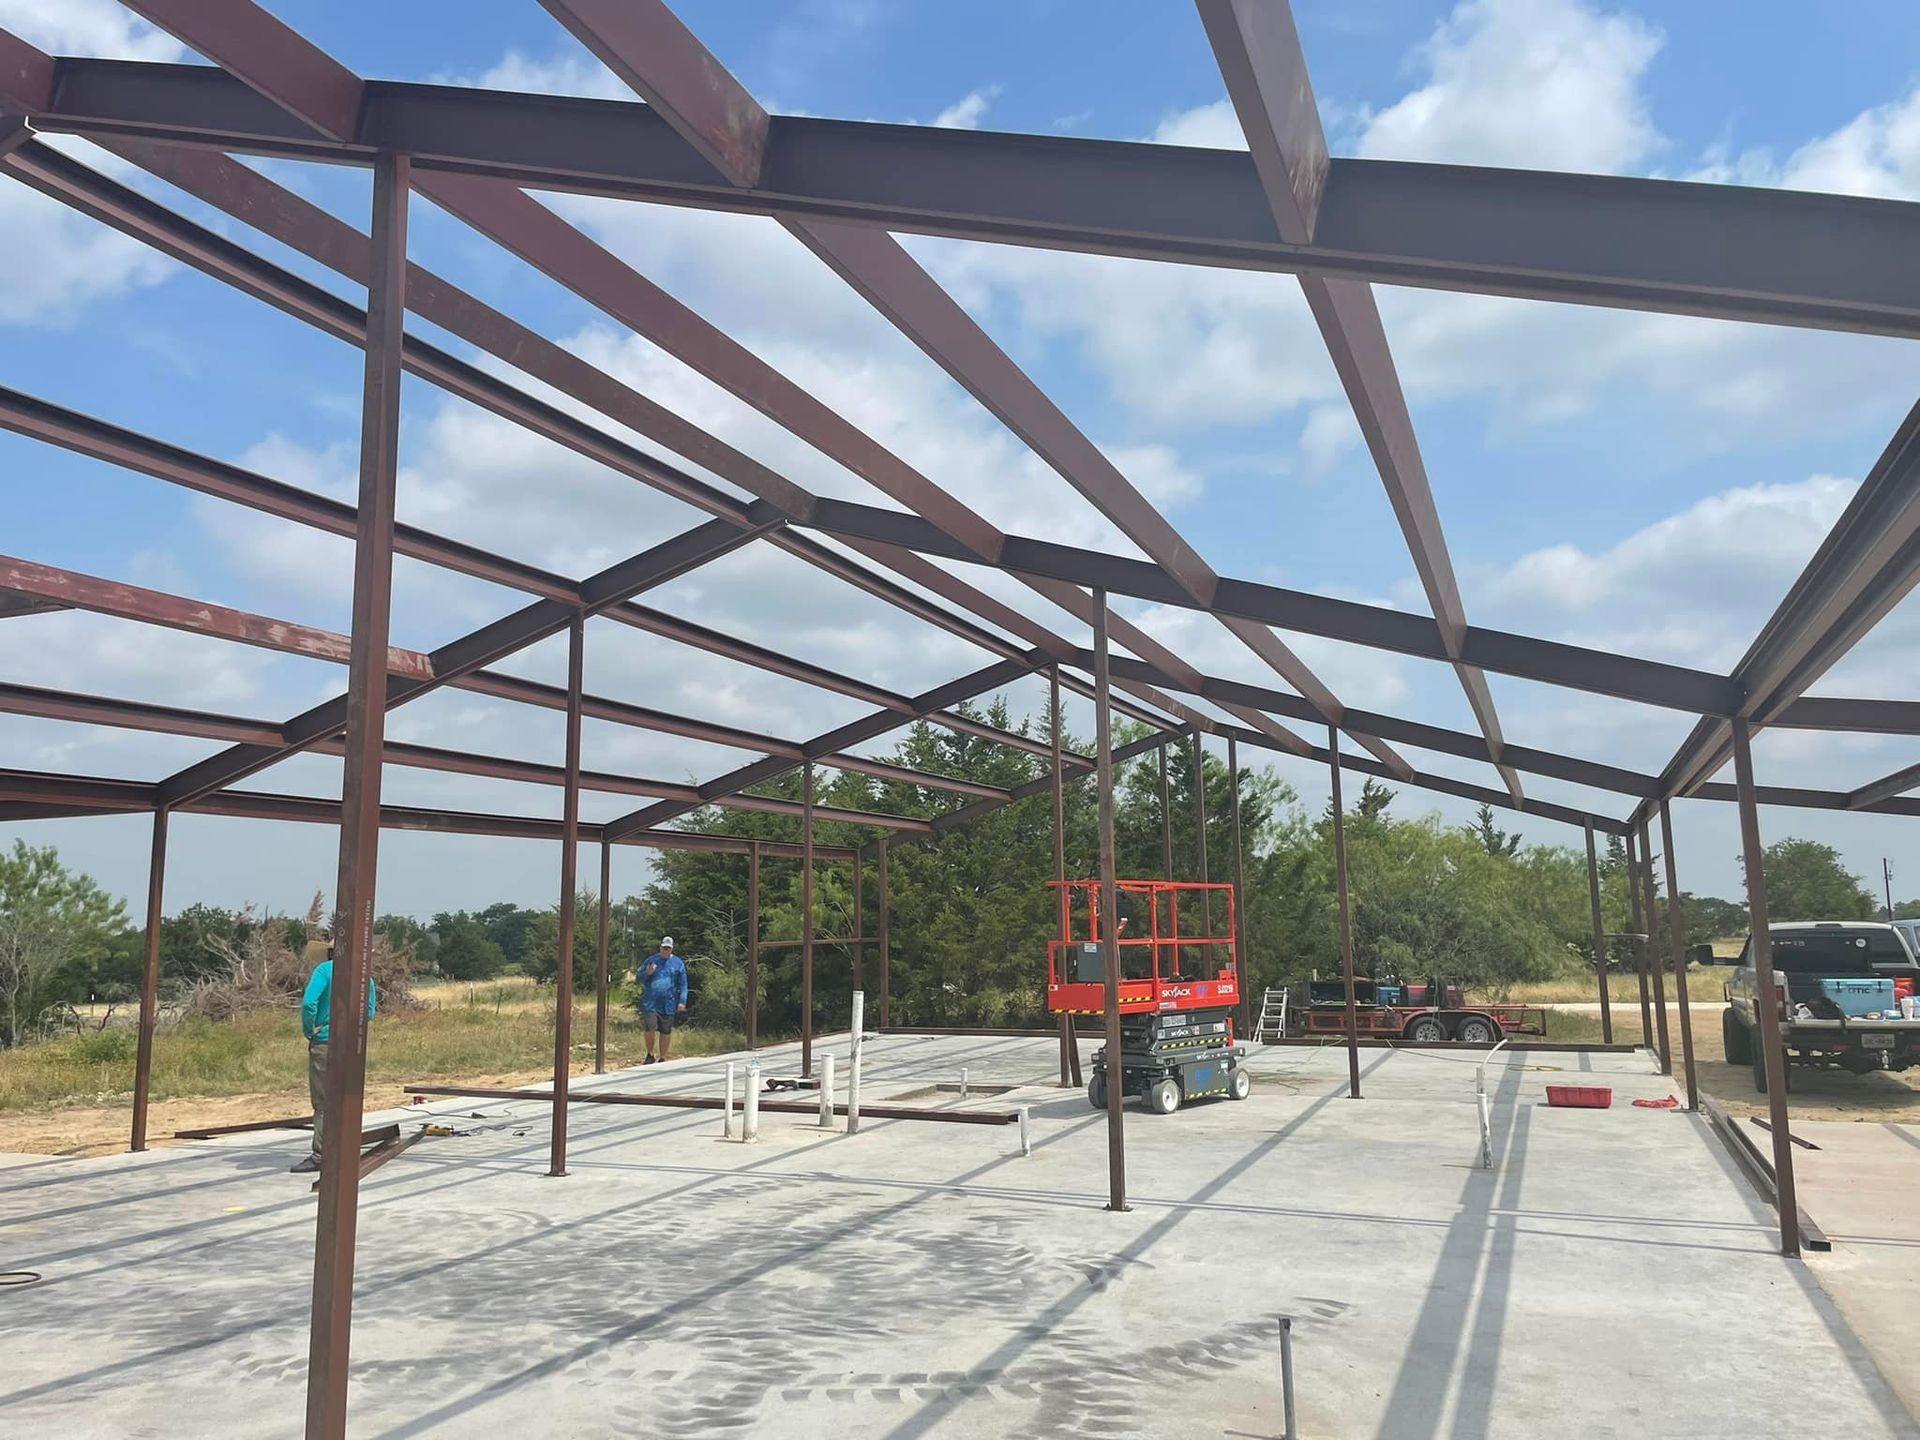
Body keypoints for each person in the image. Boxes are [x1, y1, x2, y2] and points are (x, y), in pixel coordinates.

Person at [291, 933, 377, 1175]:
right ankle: (346, 1149)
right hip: (352, 1045)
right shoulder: (363, 977)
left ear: (330, 952)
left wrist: (311, 1030)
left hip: (326, 1042)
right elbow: (369, 1013)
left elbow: (309, 1004)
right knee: (347, 1098)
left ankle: (321, 1154)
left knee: (324, 1102)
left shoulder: (324, 970)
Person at [637, 936, 688, 1064]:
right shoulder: (651, 960)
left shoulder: (678, 963)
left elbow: (683, 984)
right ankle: (650, 1054)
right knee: (650, 1027)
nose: (666, 950)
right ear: (660, 947)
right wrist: (648, 973)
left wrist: (682, 1001)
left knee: (666, 1030)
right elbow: (639, 978)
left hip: (668, 1003)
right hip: (651, 1002)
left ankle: (663, 1057)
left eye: (668, 948)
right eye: (664, 948)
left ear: (671, 949)